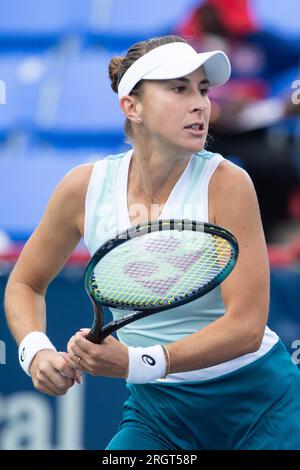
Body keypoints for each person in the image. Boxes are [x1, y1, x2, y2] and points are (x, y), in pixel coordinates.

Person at [4, 35, 300, 450]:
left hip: (264, 407)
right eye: (179, 88)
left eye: (202, 90)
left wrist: (137, 362)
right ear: (132, 106)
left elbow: (246, 327)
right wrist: (35, 352)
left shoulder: (228, 184)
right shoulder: (82, 188)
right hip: (158, 414)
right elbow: (24, 284)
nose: (200, 103)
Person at [176, 0, 300, 242]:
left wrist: (292, 98)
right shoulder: (179, 44)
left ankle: (275, 234)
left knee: (281, 165)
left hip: (255, 134)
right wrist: (215, 111)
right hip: (200, 134)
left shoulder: (260, 40)